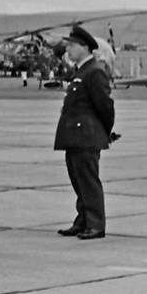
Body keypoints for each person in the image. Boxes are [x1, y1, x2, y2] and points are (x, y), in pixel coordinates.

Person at [54, 26, 115, 240]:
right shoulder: (81, 71)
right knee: (78, 180)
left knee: (88, 181)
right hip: (75, 137)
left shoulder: (94, 71)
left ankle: (96, 225)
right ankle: (83, 221)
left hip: (87, 136)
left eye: (71, 45)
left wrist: (103, 133)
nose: (67, 49)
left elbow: (105, 106)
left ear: (84, 47)